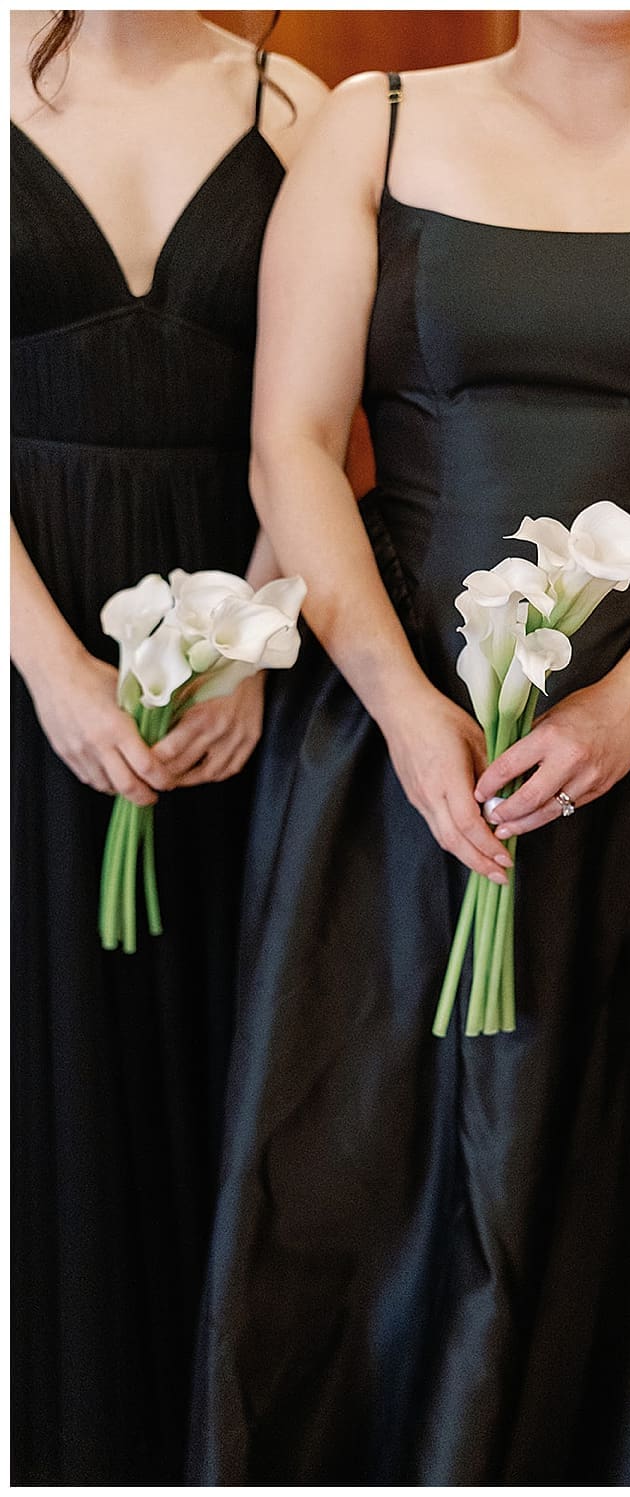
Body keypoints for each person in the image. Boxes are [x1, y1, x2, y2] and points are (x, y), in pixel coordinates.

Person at [188, 13, 630, 1482]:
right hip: (388, 745)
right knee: (359, 1189)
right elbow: (291, 443)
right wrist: (401, 702)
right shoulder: (366, 119)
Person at [10, 11, 325, 1482]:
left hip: (232, 656)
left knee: (219, 1064)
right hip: (23, 623)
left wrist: (253, 643)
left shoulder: (296, 103)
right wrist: (53, 667)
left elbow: (309, 430)